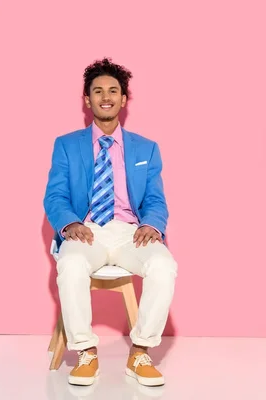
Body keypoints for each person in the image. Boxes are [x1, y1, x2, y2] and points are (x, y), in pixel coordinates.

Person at [43, 58, 177, 387]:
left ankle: (141, 351)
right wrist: (70, 223)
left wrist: (152, 225)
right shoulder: (66, 145)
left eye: (113, 91)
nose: (106, 96)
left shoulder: (147, 148)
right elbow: (55, 196)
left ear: (124, 99)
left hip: (132, 233)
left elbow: (156, 200)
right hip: (86, 231)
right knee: (70, 264)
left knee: (164, 266)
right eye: (98, 91)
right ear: (87, 99)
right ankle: (86, 352)